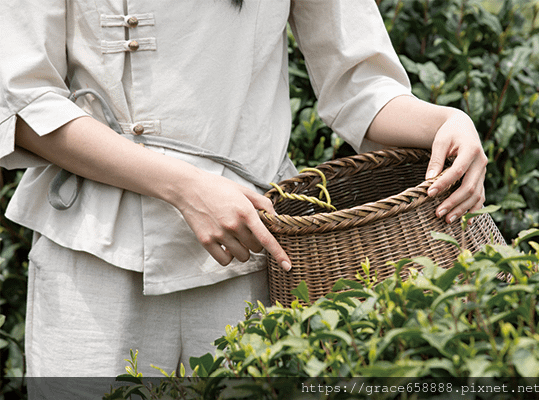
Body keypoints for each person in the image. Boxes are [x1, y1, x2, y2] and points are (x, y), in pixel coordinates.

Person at [0, 0, 486, 379]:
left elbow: (361, 86)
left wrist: (447, 121)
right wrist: (185, 186)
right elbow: (23, 104)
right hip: (93, 257)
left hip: (250, 253)